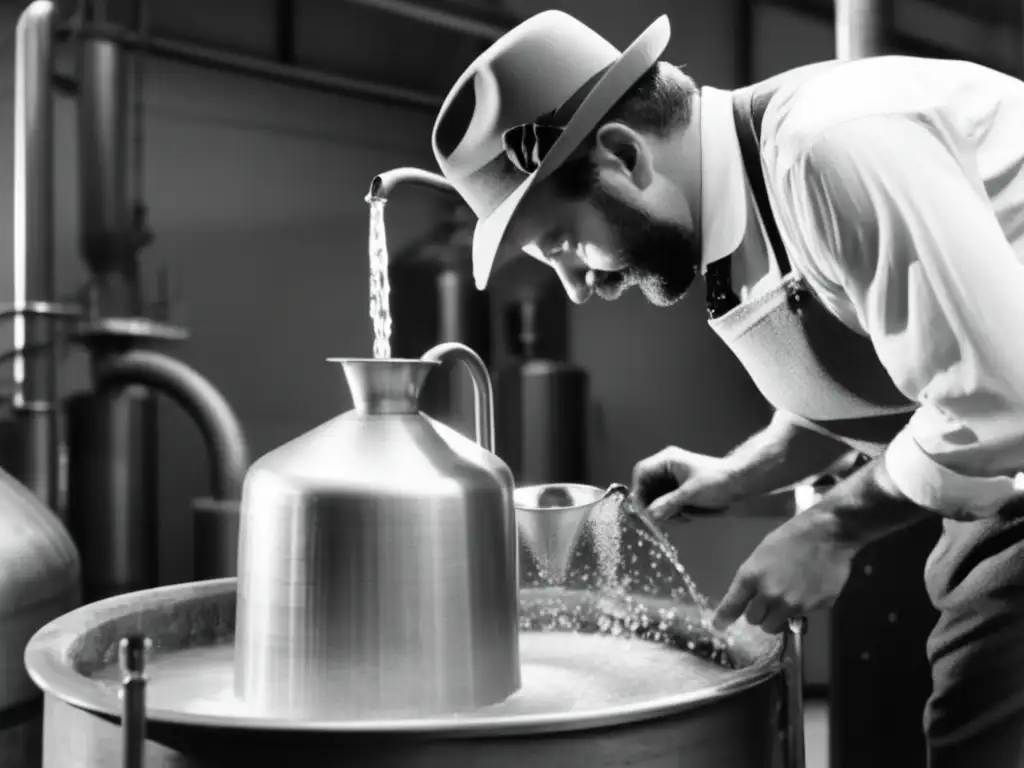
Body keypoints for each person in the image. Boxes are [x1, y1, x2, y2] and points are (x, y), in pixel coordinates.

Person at [429, 9, 1024, 767]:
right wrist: (746, 472)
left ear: (622, 154)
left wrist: (829, 527)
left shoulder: (829, 149)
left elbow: (1003, 395)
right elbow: (896, 363)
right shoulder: (734, 217)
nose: (577, 287)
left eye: (565, 243)